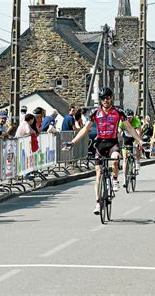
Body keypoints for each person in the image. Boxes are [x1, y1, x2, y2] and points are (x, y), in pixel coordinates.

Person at [63, 87, 141, 215]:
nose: (106, 100)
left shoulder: (118, 112)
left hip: (112, 143)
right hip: (99, 144)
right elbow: (84, 129)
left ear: (112, 99)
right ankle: (98, 203)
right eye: (103, 98)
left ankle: (115, 180)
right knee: (98, 173)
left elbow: (130, 128)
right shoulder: (95, 113)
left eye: (108, 98)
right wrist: (72, 142)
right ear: (100, 100)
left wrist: (139, 140)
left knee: (115, 160)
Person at [118, 109, 142, 180]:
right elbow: (119, 131)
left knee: (137, 146)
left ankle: (137, 161)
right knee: (125, 158)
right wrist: (119, 140)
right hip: (126, 138)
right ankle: (125, 178)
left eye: (130, 117)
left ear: (133, 117)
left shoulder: (136, 120)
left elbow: (138, 132)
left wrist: (138, 142)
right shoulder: (122, 121)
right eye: (127, 117)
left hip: (134, 137)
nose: (129, 119)